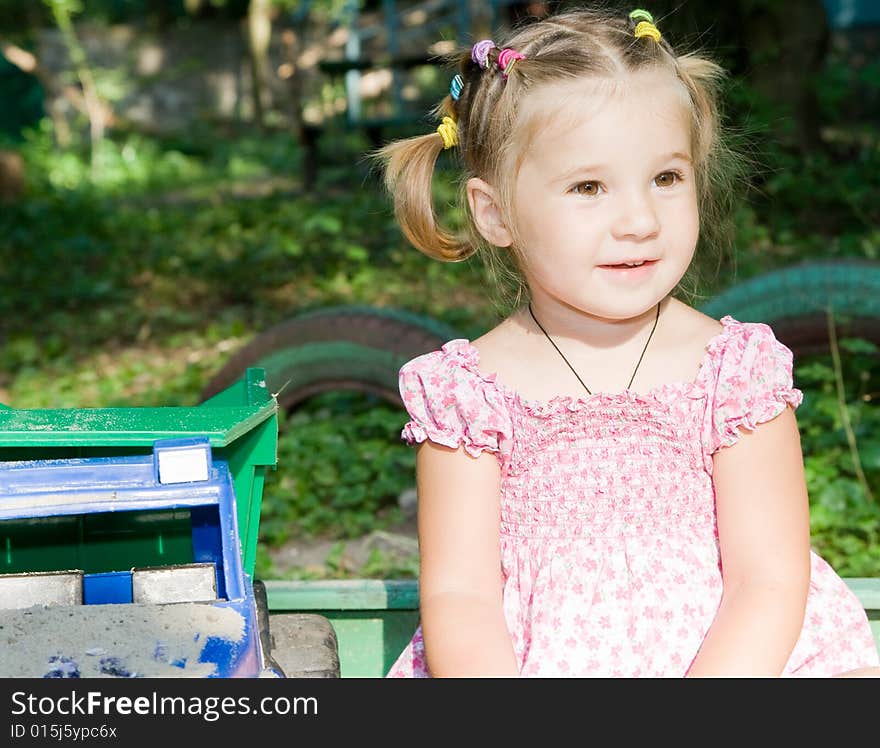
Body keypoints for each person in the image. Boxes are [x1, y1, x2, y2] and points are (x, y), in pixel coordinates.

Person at [371, 6, 880, 677]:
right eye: (589, 187)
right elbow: (460, 597)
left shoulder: (733, 375)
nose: (639, 220)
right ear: (494, 213)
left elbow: (769, 579)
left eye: (666, 178)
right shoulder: (470, 397)